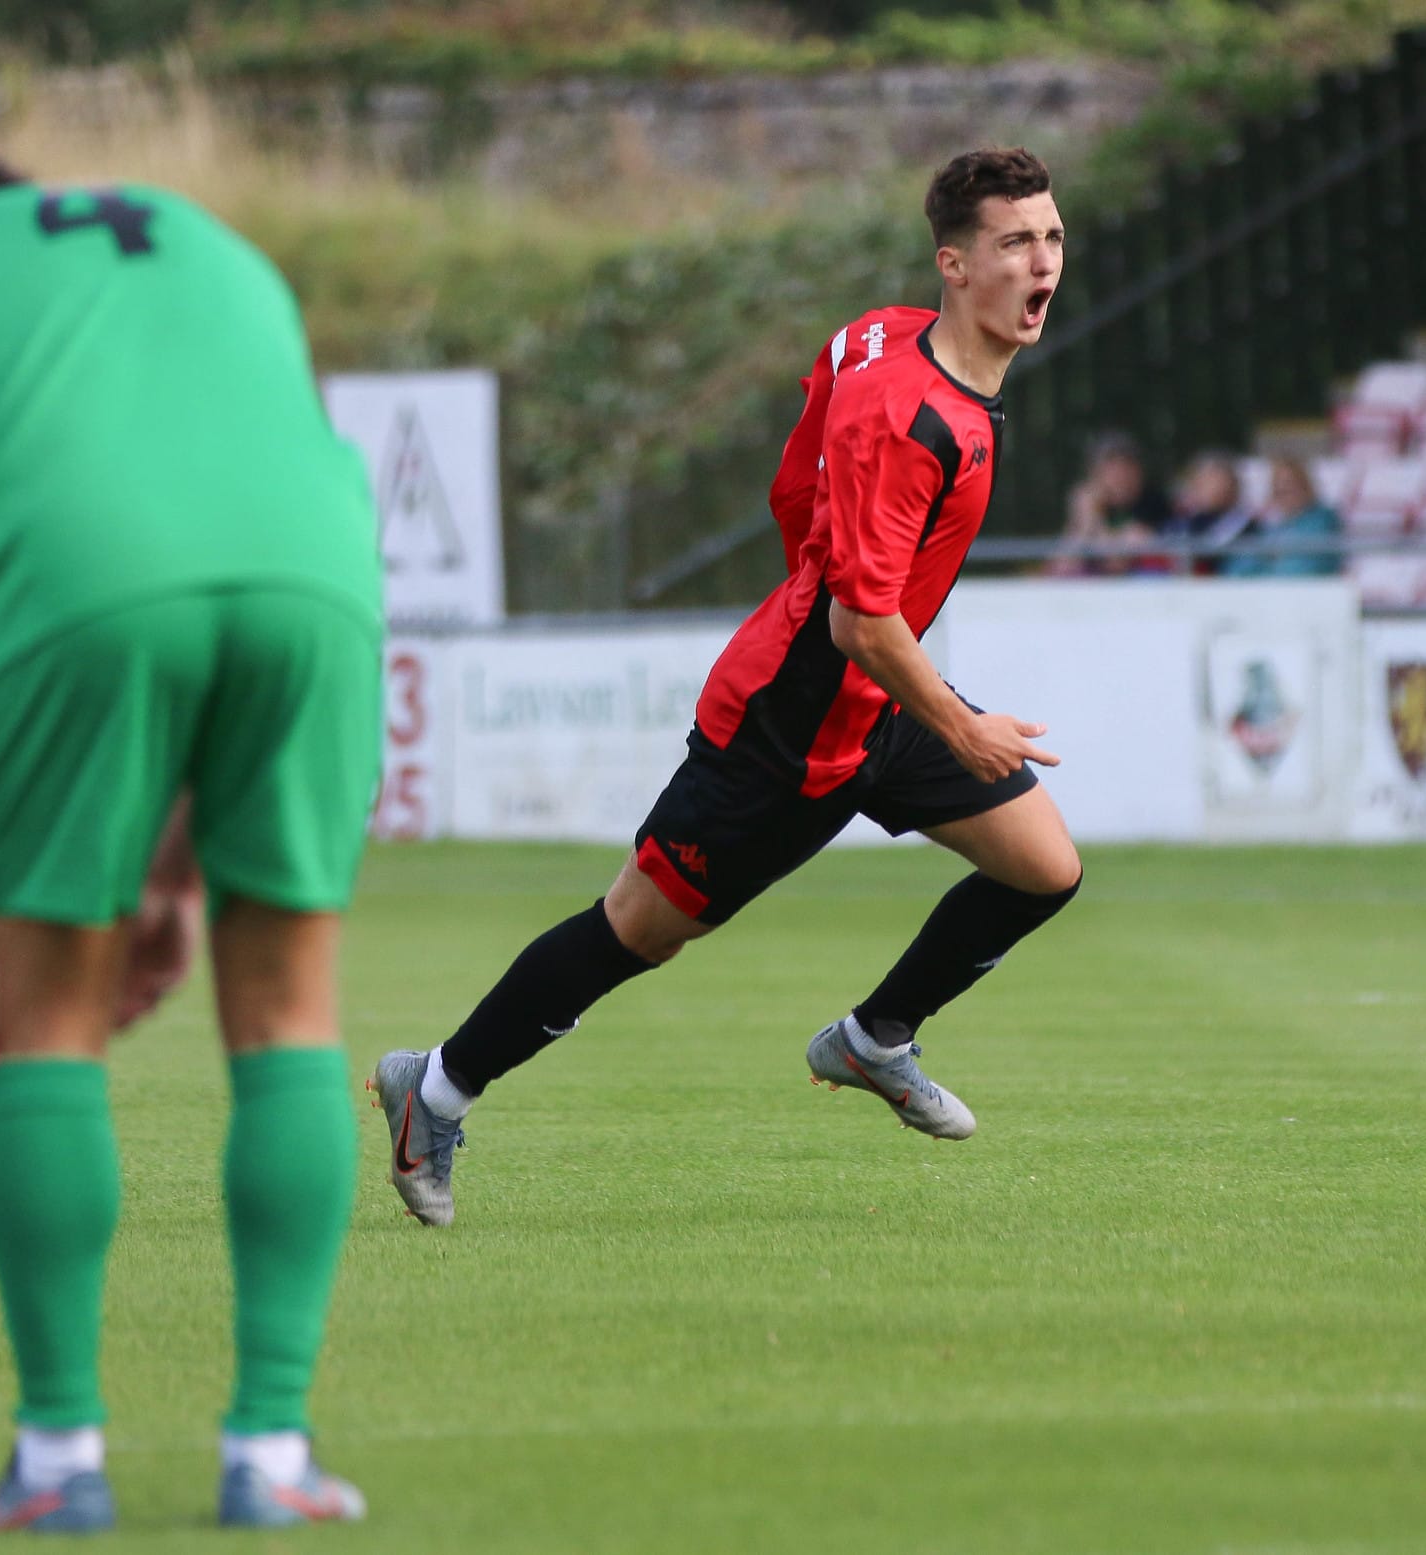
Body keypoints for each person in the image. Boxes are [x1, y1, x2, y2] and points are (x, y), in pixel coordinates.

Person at [0, 148, 381, 1533]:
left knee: (47, 1026)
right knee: (290, 1009)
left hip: (82, 584)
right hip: (325, 580)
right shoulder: (204, 238)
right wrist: (174, 873)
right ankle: (274, 1456)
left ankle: (60, 1458)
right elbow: (231, 497)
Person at [370, 146, 1083, 1229]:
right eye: (1014, 243)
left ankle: (873, 1039)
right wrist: (961, 721)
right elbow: (856, 618)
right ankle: (432, 1090)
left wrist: (826, 566)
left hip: (879, 700)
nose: (1041, 263)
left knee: (1043, 868)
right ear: (953, 263)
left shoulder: (883, 337)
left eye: (1051, 238)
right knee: (634, 932)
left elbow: (797, 473)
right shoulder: (917, 419)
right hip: (787, 724)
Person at [1049, 429, 1170, 576]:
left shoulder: (1153, 506)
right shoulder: (1089, 513)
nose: (1121, 478)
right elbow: (1060, 568)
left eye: (1127, 469)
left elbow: (1115, 563)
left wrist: (1093, 516)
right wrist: (1085, 521)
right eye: (1111, 470)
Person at [1222, 457, 1342, 578]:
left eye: (1289, 486)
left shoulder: (1323, 521)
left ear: (1305, 486)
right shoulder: (1270, 527)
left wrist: (1264, 572)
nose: (1283, 492)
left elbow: (1304, 568)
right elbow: (1238, 569)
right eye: (1278, 488)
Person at [1160, 450, 1254, 575]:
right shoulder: (1183, 522)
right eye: (1201, 480)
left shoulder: (1248, 526)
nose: (1206, 487)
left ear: (1233, 485)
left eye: (1213, 480)